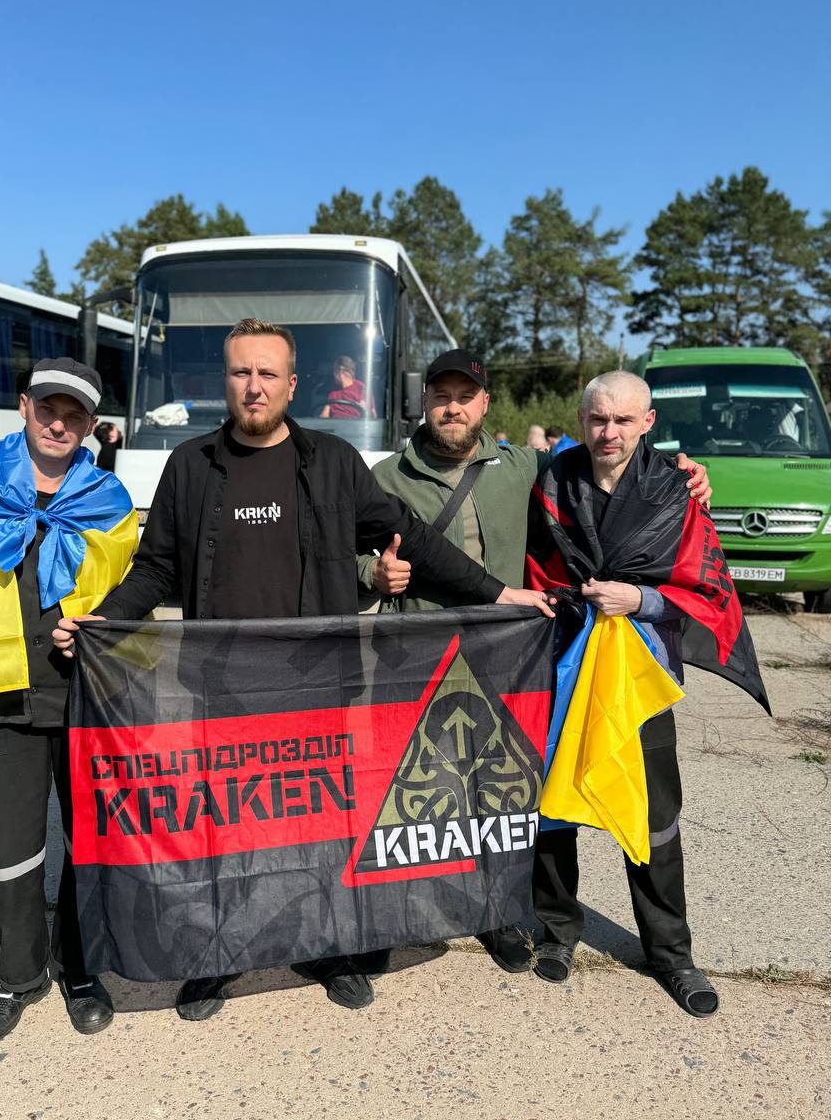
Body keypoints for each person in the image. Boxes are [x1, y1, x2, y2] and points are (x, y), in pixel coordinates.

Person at [53, 319, 550, 1021]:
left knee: (322, 829)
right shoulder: (191, 466)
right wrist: (103, 621)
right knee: (223, 832)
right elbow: (157, 566)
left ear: (291, 384)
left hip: (320, 685)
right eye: (239, 373)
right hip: (220, 685)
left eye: (266, 374)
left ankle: (329, 950)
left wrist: (500, 594)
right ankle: (215, 957)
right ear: (225, 382)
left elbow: (416, 539)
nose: (252, 386)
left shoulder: (333, 463)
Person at [358, 351, 710, 975]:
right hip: (416, 661)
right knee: (410, 800)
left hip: (516, 665)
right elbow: (345, 556)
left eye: (466, 396)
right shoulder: (384, 477)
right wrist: (374, 575)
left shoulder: (527, 466)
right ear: (424, 401)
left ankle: (511, 920)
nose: (453, 407)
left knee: (509, 800)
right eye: (442, 394)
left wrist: (687, 472)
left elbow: (626, 481)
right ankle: (392, 926)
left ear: (486, 404)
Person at [0, 358, 138, 1045]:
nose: (59, 422)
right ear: (24, 406)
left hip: (82, 697)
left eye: (74, 414)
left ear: (89, 425)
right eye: (49, 407)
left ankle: (81, 968)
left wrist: (101, 627)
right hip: (1, 696)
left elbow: (128, 594)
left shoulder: (107, 498)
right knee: (6, 848)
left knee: (91, 843)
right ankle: (19, 978)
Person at [527, 370, 725, 1017]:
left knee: (654, 814)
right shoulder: (554, 482)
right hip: (565, 664)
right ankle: (556, 932)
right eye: (596, 419)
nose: (607, 431)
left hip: (642, 674)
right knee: (555, 808)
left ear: (647, 424)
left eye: (621, 420)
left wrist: (640, 598)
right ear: (581, 422)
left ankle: (671, 953)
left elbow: (706, 584)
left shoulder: (676, 487)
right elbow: (535, 566)